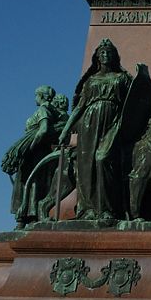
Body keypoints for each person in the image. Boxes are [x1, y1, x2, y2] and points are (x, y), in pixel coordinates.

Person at [59, 39, 133, 221]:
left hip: (113, 121)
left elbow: (131, 104)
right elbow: (79, 107)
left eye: (109, 52)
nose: (105, 55)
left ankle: (107, 208)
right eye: (102, 53)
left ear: (115, 56)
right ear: (97, 58)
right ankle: (87, 209)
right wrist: (65, 130)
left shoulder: (121, 78)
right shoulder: (91, 80)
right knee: (86, 166)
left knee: (104, 160)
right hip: (89, 122)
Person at [1, 85, 61, 229]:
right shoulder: (53, 111)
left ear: (42, 96)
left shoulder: (43, 110)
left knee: (29, 182)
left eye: (36, 95)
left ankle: (26, 217)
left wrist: (30, 147)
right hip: (39, 152)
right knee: (33, 182)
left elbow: (43, 130)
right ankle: (30, 216)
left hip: (34, 153)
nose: (35, 98)